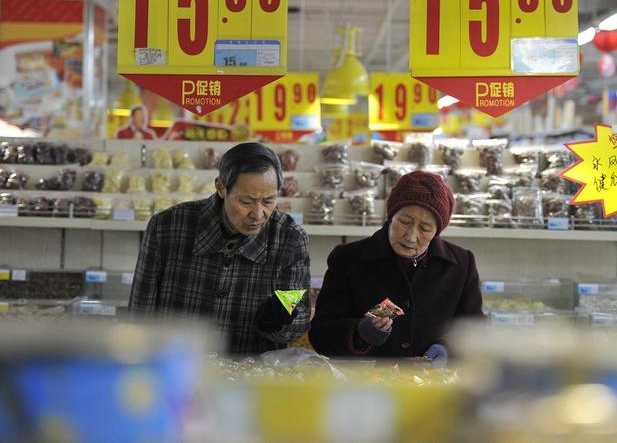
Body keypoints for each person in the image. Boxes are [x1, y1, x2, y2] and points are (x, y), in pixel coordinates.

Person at [129, 143, 311, 356]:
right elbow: (140, 314)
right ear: (221, 188)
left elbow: (299, 321)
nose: (258, 213)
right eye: (246, 201)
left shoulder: (290, 239)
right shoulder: (168, 226)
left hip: (252, 371)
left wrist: (279, 321)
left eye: (268, 201)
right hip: (178, 365)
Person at [309, 171, 483, 366]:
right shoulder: (347, 259)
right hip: (365, 381)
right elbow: (320, 334)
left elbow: (475, 331)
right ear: (390, 215)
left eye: (425, 228)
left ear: (437, 232)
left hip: (435, 381)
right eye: (405, 221)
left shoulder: (461, 264)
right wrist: (358, 333)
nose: (411, 236)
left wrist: (447, 350)